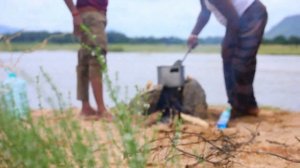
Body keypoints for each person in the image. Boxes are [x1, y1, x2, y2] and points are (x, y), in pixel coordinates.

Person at [187, 0, 268, 118]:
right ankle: (240, 106)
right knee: (231, 60)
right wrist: (194, 34)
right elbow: (205, 12)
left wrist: (227, 44)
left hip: (252, 15)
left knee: (241, 61)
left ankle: (245, 107)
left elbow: (233, 19)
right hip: (238, 20)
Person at [64, 0, 112, 120]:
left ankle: (86, 108)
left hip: (89, 15)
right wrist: (75, 14)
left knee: (85, 61)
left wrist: (76, 14)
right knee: (97, 58)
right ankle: (101, 109)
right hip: (92, 16)